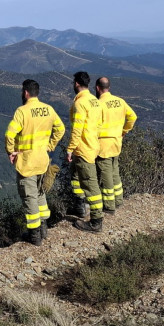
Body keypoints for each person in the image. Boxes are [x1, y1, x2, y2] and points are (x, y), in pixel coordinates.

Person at [5, 79, 65, 245]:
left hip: (27, 162)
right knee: (40, 193)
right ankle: (44, 228)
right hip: (43, 160)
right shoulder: (48, 109)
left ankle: (34, 235)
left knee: (29, 197)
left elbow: (9, 134)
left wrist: (11, 151)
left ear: (25, 93)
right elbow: (61, 129)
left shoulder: (22, 111)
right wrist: (50, 145)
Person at [67, 71, 104, 233]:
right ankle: (79, 208)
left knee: (90, 185)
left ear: (76, 84)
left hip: (83, 149)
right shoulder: (95, 101)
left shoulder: (80, 103)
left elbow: (77, 129)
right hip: (92, 146)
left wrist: (70, 149)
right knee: (76, 177)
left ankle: (96, 222)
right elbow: (99, 124)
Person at [95, 77, 137, 214]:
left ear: (97, 88)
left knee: (105, 174)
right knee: (114, 172)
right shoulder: (120, 101)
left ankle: (109, 205)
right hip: (116, 143)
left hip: (103, 144)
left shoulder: (98, 104)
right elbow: (133, 117)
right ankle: (118, 200)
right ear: (109, 87)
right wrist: (124, 131)